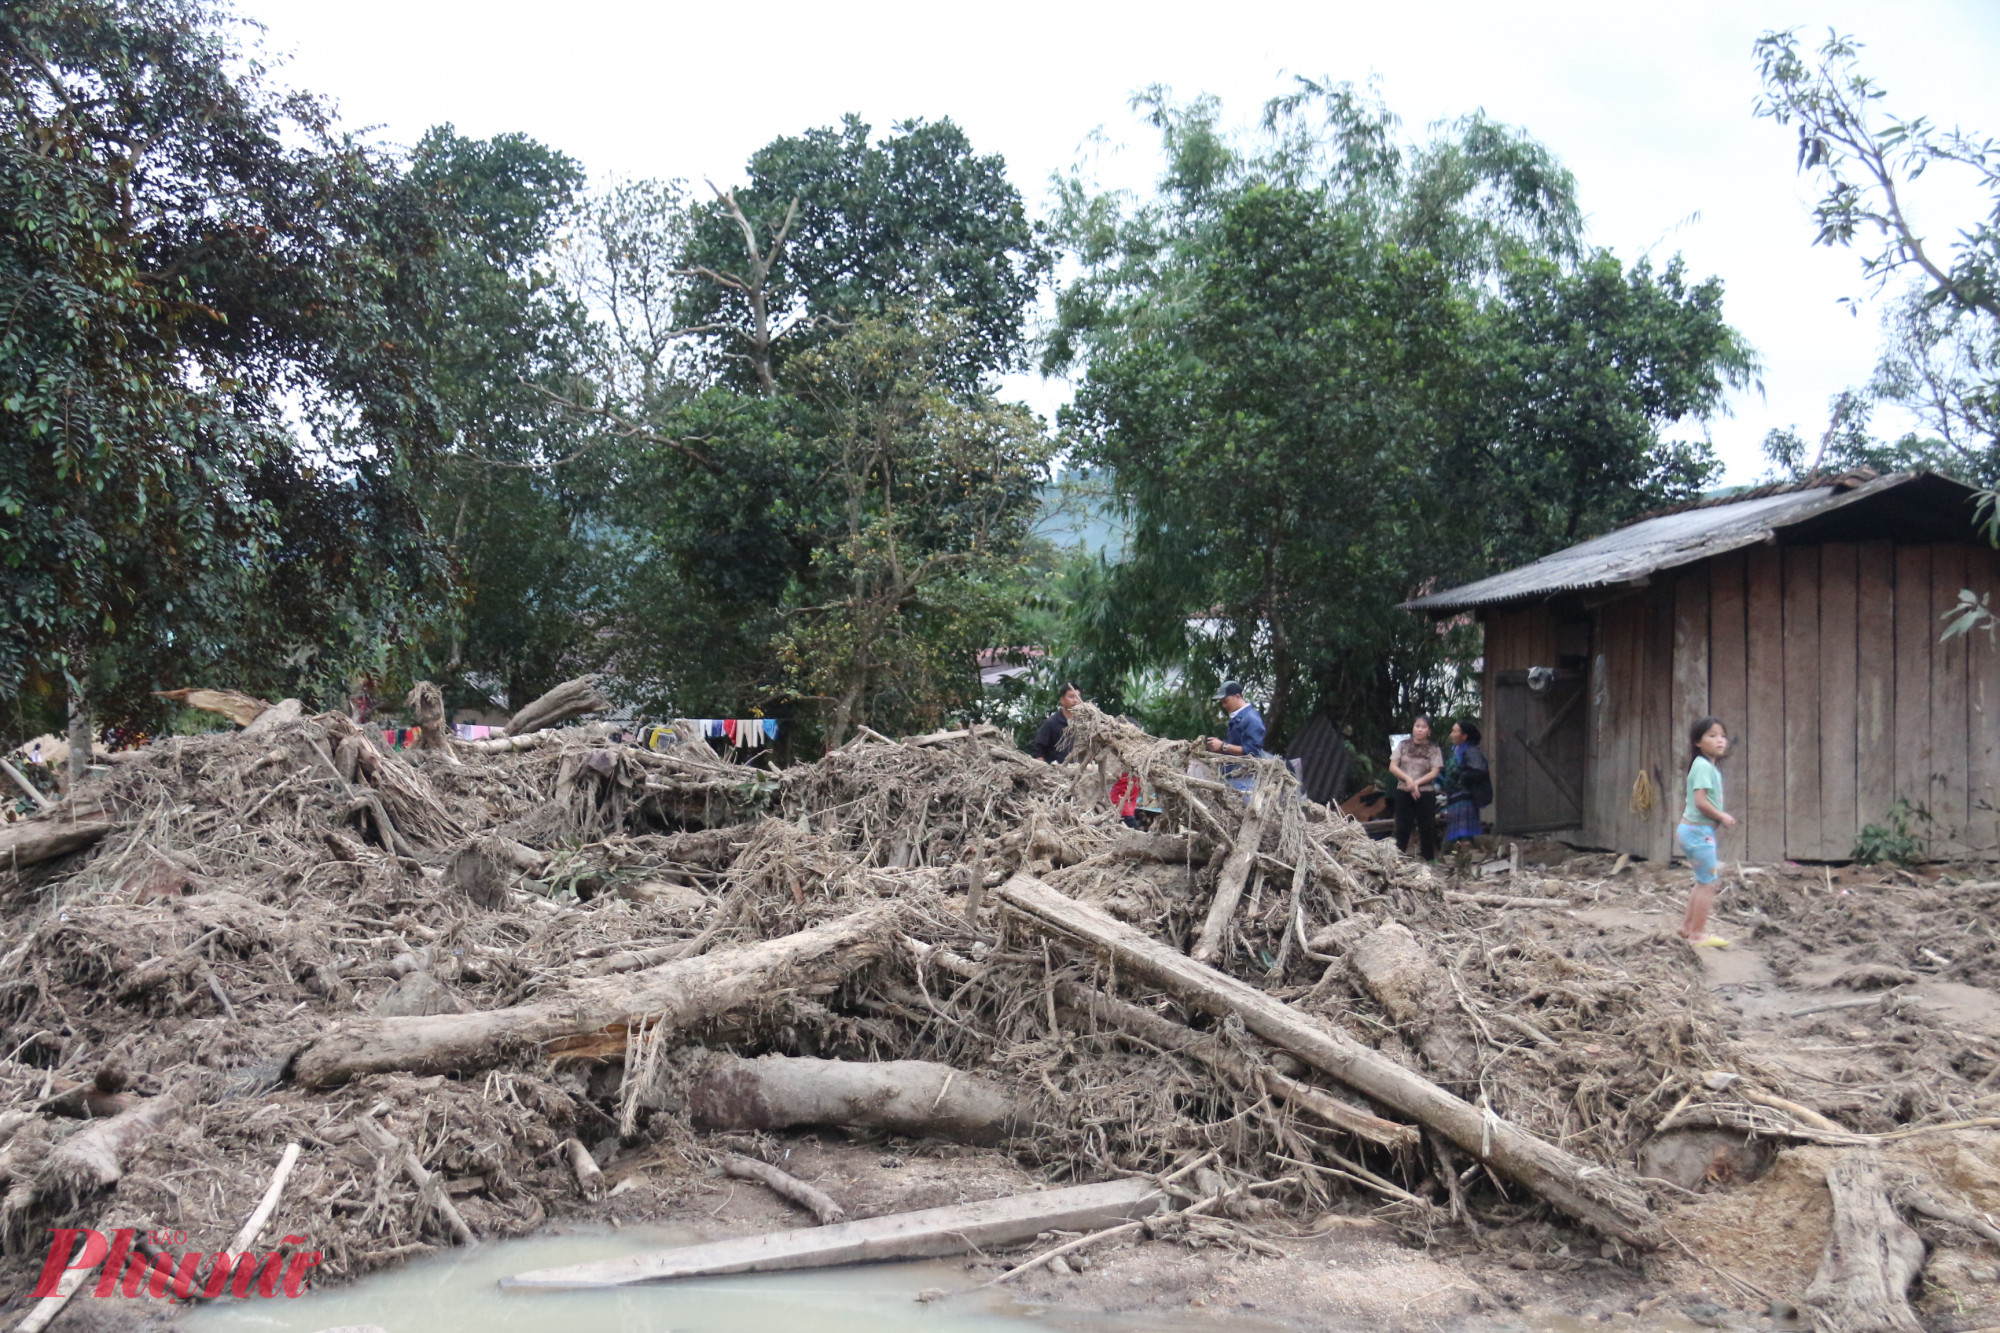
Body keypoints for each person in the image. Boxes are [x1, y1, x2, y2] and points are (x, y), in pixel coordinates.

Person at [1678, 715, 1736, 947]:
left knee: (1702, 881)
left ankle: (1686, 928)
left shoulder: (1706, 766)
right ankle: (1697, 935)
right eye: (1712, 736)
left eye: (1722, 736)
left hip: (1692, 831)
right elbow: (1700, 801)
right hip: (1698, 832)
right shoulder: (1702, 767)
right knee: (1708, 884)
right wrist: (1721, 815)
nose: (1719, 740)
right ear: (1697, 742)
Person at [1388, 716, 1442, 861]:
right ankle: (1398, 859)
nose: (1419, 729)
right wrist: (1409, 780)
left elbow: (1435, 771)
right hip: (1404, 790)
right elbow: (1393, 766)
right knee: (1402, 826)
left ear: (1429, 731)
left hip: (1425, 792)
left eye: (1423, 727)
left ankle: (1429, 859)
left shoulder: (1433, 748)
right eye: (1417, 726)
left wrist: (1417, 783)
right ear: (1413, 728)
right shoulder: (1403, 745)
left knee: (1427, 826)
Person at [1201, 682, 1266, 792]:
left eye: (1225, 701)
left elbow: (1252, 752)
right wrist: (1219, 748)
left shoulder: (1251, 719)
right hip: (1232, 778)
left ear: (1238, 696)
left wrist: (1223, 745)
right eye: (1222, 703)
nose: (1224, 705)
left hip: (1244, 780)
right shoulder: (1239, 717)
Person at [1439, 719, 1491, 846]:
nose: (1451, 734)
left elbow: (1480, 771)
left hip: (1465, 799)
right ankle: (1458, 857)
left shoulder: (1471, 751)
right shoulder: (1455, 750)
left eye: (1455, 731)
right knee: (1457, 836)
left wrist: (1462, 777)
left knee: (1465, 834)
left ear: (1464, 736)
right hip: (1453, 798)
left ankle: (1467, 857)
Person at [1031, 684, 1082, 762]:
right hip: (1057, 771)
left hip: (1084, 771)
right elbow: (1038, 752)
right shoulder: (1051, 723)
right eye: (1071, 697)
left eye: (1078, 697)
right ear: (1062, 700)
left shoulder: (1085, 723)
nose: (1075, 700)